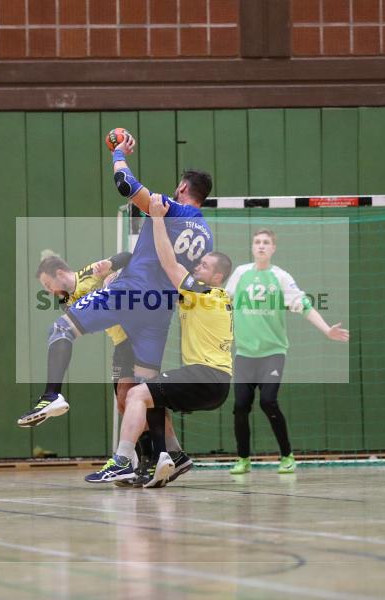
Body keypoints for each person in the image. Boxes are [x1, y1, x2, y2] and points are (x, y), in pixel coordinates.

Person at [16, 131, 213, 478]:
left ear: (183, 188)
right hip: (160, 309)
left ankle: (52, 395)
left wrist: (118, 152)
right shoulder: (207, 234)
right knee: (146, 390)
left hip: (132, 293)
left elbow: (125, 183)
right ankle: (163, 456)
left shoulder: (171, 207)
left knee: (61, 327)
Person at [85, 193, 233, 488]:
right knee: (151, 394)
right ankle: (173, 456)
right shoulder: (210, 297)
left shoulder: (202, 292)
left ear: (216, 276)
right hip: (214, 380)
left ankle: (123, 460)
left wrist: (156, 219)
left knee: (137, 395)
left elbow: (168, 263)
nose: (196, 266)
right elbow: (159, 290)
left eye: (203, 265)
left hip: (206, 376)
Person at [225, 228, 349, 474]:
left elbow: (304, 306)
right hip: (245, 354)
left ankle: (286, 455)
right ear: (252, 247)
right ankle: (243, 459)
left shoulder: (280, 277)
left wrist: (326, 330)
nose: (261, 246)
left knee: (268, 402)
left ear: (273, 249)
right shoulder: (240, 273)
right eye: (257, 242)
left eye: (266, 242)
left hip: (273, 353)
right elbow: (224, 303)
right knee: (240, 406)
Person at [29, 252, 136, 427]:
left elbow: (128, 255)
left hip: (135, 337)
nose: (48, 291)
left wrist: (111, 263)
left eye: (48, 285)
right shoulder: (65, 302)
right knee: (124, 403)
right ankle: (142, 450)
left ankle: (160, 450)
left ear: (60, 273)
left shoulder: (90, 272)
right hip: (120, 344)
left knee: (138, 397)